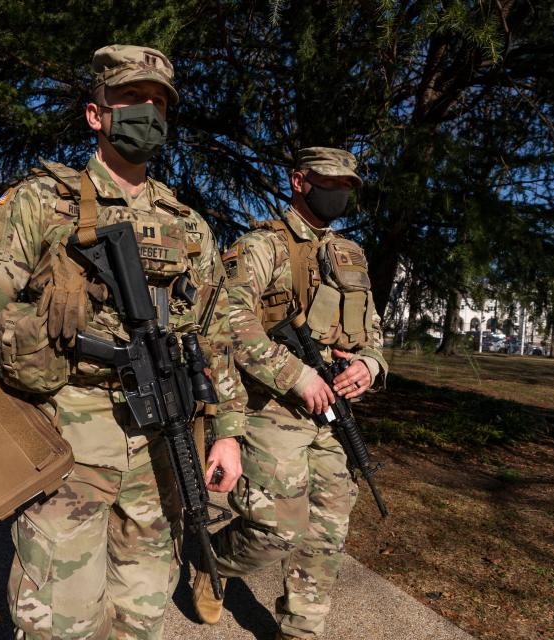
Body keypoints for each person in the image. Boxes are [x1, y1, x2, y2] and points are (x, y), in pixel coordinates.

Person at [0, 44, 245, 640]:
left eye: (159, 103)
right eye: (131, 98)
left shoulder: (191, 227)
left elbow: (218, 339)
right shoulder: (41, 202)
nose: (147, 112)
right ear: (95, 113)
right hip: (65, 435)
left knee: (143, 615)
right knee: (59, 622)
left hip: (164, 442)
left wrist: (230, 431)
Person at [192, 147, 388, 639]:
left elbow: (373, 330)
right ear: (300, 181)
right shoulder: (261, 246)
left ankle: (300, 630)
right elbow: (229, 325)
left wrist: (369, 365)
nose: (340, 193)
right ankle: (213, 562)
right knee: (276, 527)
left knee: (328, 529)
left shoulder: (352, 255)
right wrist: (296, 375)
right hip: (271, 406)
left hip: (333, 411)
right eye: (330, 182)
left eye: (348, 186)